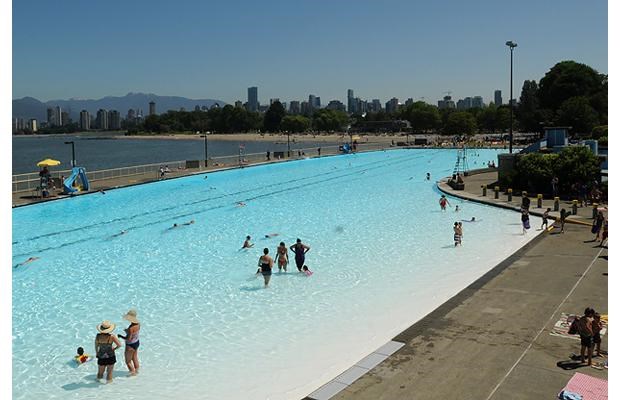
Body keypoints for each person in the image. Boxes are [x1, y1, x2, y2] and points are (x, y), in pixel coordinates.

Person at [118, 309, 140, 376]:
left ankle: (133, 374)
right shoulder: (138, 324)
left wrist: (121, 336)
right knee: (135, 358)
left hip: (130, 345)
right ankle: (137, 371)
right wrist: (128, 332)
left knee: (128, 361)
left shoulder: (131, 328)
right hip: (136, 342)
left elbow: (128, 338)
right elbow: (134, 334)